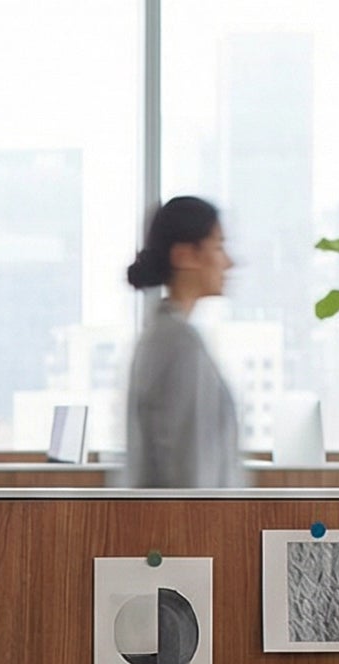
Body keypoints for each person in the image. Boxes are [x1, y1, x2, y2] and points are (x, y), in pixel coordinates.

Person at [121, 195, 243, 489]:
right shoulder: (179, 344)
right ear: (185, 255)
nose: (228, 262)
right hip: (190, 528)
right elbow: (191, 470)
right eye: (218, 246)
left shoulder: (161, 336)